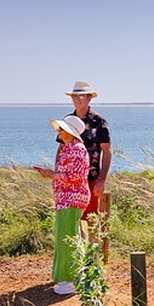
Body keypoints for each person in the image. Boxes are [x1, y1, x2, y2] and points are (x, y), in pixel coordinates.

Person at [35, 116, 90, 295]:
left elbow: (74, 177)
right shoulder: (71, 148)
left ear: (70, 132)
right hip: (67, 199)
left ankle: (70, 279)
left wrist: (52, 175)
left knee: (66, 239)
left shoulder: (76, 150)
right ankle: (74, 276)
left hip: (71, 200)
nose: (58, 132)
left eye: (62, 129)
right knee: (68, 237)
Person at [58, 81, 111, 228]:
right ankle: (77, 251)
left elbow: (106, 151)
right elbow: (61, 148)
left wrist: (102, 179)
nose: (78, 100)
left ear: (89, 98)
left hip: (91, 179)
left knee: (92, 221)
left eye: (82, 96)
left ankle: (93, 251)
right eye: (75, 96)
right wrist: (58, 174)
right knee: (72, 222)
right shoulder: (67, 121)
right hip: (70, 181)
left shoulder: (99, 122)